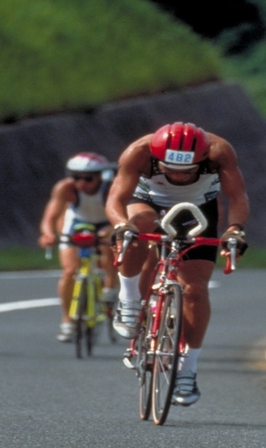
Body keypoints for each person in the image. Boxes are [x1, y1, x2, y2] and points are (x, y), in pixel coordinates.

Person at [106, 122, 249, 406]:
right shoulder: (139, 151)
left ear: (203, 159)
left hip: (197, 208)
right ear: (157, 158)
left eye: (188, 170)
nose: (178, 175)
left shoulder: (219, 152)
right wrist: (121, 225)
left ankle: (188, 368)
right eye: (170, 169)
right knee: (137, 227)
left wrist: (234, 229)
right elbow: (116, 199)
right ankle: (130, 298)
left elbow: (237, 196)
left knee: (195, 290)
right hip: (146, 200)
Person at [39, 152, 119, 342]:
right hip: (77, 222)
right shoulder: (65, 188)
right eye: (75, 177)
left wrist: (111, 229)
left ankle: (110, 288)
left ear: (100, 176)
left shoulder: (111, 187)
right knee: (69, 271)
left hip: (106, 223)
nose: (81, 183)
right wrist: (48, 234)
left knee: (110, 250)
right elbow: (50, 216)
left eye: (88, 178)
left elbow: (122, 212)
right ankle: (67, 321)